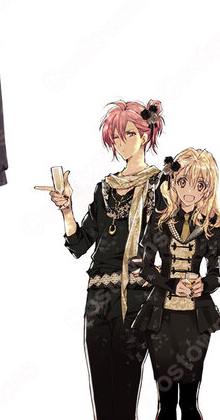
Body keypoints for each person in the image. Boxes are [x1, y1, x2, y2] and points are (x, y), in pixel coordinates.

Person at [36, 100, 166, 419]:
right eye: (116, 137)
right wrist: (67, 210)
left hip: (135, 297)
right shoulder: (104, 188)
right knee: (102, 395)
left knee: (124, 392)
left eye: (129, 134)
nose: (122, 143)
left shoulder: (159, 185)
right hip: (97, 298)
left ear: (146, 135)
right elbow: (80, 245)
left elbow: (170, 239)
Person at [132, 148, 220, 420]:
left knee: (189, 401)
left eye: (199, 185)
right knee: (165, 403)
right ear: (172, 182)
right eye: (183, 182)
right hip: (160, 316)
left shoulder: (210, 226)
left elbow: (215, 275)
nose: (189, 191)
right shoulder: (159, 222)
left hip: (196, 319)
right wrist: (171, 284)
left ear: (207, 189)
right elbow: (143, 267)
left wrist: (204, 285)